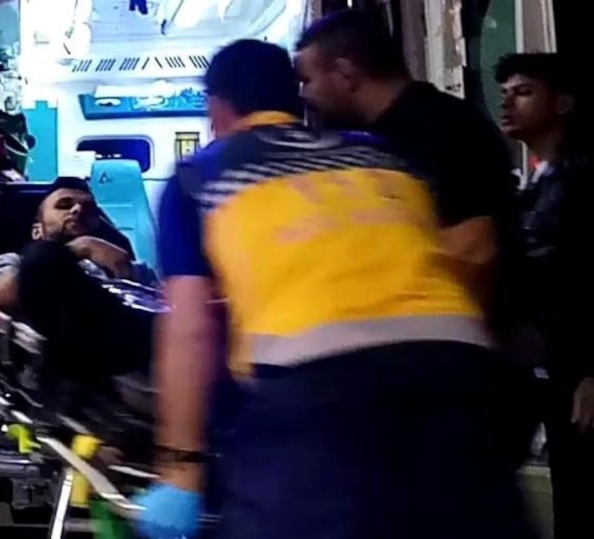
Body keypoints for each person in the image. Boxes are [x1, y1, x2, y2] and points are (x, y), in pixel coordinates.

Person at [133, 38, 534, 539]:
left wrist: (181, 469)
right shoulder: (381, 155)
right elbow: (458, 251)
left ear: (217, 107)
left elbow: (190, 327)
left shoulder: (201, 175)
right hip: (459, 374)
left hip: (317, 395)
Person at [294, 9, 521, 340]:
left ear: (346, 73)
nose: (303, 94)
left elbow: (477, 249)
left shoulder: (448, 130)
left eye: (307, 80)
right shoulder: (359, 141)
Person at [496, 52, 593, 539]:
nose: (507, 103)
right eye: (505, 93)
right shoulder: (536, 182)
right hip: (544, 365)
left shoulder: (580, 181)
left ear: (563, 103)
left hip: (574, 369)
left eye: (524, 92)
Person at [0, 176, 148, 311]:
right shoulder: (15, 263)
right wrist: (74, 250)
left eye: (89, 208)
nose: (78, 209)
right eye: (64, 205)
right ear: (37, 231)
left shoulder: (122, 262)